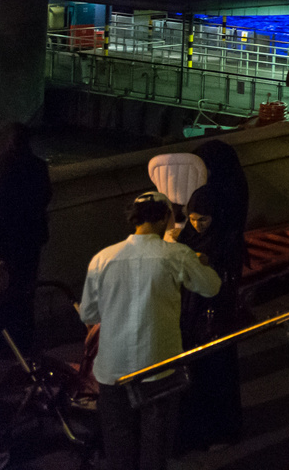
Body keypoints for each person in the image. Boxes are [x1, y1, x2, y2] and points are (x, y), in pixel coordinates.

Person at [80, 191, 220, 470]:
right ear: (166, 217)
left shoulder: (102, 258)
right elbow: (211, 286)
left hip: (113, 370)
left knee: (120, 448)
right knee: (155, 448)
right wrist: (201, 262)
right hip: (159, 365)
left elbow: (89, 313)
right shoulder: (176, 255)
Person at [0, 122, 52, 352]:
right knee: (25, 291)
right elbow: (44, 197)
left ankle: (2, 343)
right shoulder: (37, 166)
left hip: (2, 242)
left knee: (2, 292)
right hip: (29, 240)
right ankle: (23, 340)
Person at [175, 185, 245, 451]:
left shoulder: (227, 238)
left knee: (218, 374)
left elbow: (230, 273)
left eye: (203, 219)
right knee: (195, 375)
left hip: (216, 316)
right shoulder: (187, 236)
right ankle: (199, 432)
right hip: (191, 314)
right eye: (192, 219)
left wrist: (210, 262)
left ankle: (223, 431)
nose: (197, 224)